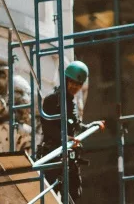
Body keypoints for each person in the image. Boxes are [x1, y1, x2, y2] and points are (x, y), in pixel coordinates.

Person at [37, 61, 105, 203]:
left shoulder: (71, 104)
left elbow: (75, 125)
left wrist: (90, 126)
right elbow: (48, 127)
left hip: (68, 157)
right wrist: (65, 139)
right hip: (54, 156)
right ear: (66, 80)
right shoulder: (52, 100)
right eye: (72, 82)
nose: (75, 87)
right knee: (50, 195)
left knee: (73, 193)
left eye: (78, 84)